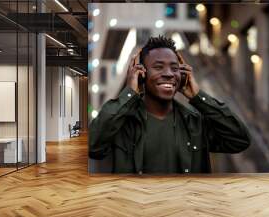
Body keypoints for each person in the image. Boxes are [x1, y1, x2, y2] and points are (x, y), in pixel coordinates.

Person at [89, 36, 251, 174]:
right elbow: (93, 146)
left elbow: (239, 140)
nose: (168, 74)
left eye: (174, 68)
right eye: (158, 67)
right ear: (141, 74)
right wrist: (130, 92)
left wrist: (197, 96)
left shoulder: (195, 123)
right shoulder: (123, 122)